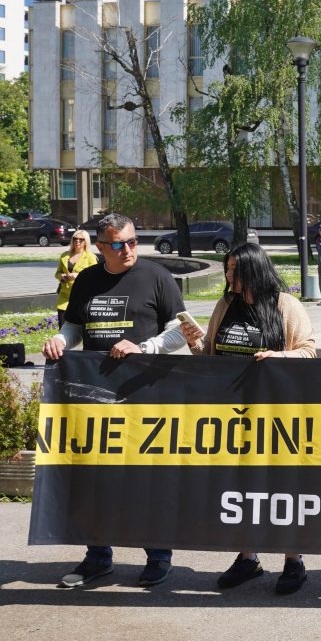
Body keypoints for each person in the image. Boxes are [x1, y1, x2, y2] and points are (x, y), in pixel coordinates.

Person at [44, 213, 187, 589]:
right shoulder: (87, 279)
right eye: (119, 244)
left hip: (144, 395)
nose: (128, 249)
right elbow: (74, 325)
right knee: (96, 478)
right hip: (95, 395)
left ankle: (158, 556)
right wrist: (60, 340)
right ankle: (98, 556)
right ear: (101, 247)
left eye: (133, 241)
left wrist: (144, 347)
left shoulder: (157, 277)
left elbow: (180, 333)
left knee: (144, 479)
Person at [180, 243, 318, 595]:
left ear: (253, 270)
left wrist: (279, 357)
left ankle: (293, 560)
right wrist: (194, 343)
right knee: (240, 486)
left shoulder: (286, 305)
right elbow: (210, 354)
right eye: (227, 269)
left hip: (277, 414)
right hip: (232, 414)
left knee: (282, 486)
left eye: (234, 270)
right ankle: (248, 558)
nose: (228, 276)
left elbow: (309, 351)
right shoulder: (226, 305)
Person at [53, 229, 98, 321]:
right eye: (75, 239)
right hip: (64, 297)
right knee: (63, 326)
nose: (77, 241)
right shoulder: (64, 255)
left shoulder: (90, 257)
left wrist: (78, 276)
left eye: (81, 239)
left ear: (86, 242)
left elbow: (95, 276)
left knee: (79, 327)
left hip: (82, 297)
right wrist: (61, 276)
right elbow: (57, 273)